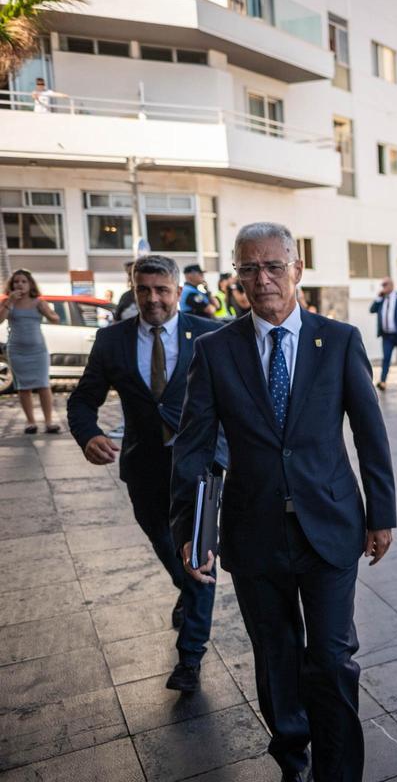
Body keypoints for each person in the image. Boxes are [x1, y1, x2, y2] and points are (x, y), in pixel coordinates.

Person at [170, 222, 396, 782]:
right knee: (276, 659)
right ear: (236, 278)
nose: (262, 279)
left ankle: (339, 771)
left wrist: (382, 513)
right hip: (253, 535)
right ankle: (293, 756)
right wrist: (192, 531)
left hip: (332, 526)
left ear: (298, 269)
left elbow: (370, 432)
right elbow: (194, 448)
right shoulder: (215, 351)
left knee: (333, 657)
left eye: (274, 266)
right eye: (249, 268)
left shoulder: (339, 340)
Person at [67, 254, 227, 693]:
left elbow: (234, 403)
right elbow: (82, 400)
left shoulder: (210, 335)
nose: (152, 299)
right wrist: (88, 435)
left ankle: (190, 658)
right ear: (133, 290)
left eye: (161, 290)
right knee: (164, 544)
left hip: (198, 469)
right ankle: (186, 588)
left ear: (178, 291)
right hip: (143, 466)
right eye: (144, 290)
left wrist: (225, 455)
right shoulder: (112, 340)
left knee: (198, 557)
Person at [0, 269, 62, 434]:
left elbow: (55, 319)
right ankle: (30, 422)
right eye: (16, 282)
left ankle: (49, 422)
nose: (19, 284)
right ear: (12, 285)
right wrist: (9, 302)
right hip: (16, 351)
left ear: (30, 284)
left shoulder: (38, 302)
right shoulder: (8, 302)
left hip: (38, 350)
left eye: (23, 281)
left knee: (43, 385)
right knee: (23, 387)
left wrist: (47, 310)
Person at [369, 277, 397, 392]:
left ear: (392, 285)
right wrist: (378, 297)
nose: (383, 287)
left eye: (385, 285)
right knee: (386, 358)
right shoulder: (382, 299)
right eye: (382, 285)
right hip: (387, 336)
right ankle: (383, 382)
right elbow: (372, 310)